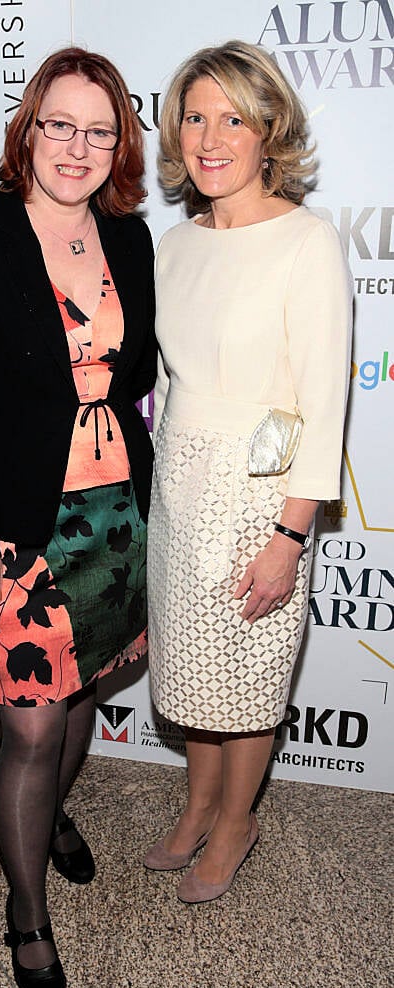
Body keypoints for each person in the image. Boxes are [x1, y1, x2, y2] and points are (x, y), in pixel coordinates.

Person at [0, 47, 156, 988]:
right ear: (28, 129)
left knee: (87, 688)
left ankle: (55, 818)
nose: (78, 147)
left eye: (99, 131)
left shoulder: (130, 242)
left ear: (118, 145)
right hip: (16, 531)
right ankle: (26, 913)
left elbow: (135, 376)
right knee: (30, 726)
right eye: (60, 124)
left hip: (112, 520)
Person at [145, 40, 352, 903]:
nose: (212, 135)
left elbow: (319, 405)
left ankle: (237, 823)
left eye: (234, 116)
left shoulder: (305, 244)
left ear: (270, 130)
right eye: (196, 116)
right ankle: (197, 808)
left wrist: (287, 535)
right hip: (177, 488)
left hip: (258, 494)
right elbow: (163, 381)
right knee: (194, 668)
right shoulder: (174, 243)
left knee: (247, 673)